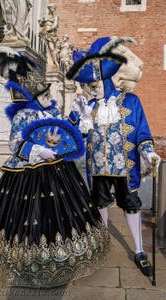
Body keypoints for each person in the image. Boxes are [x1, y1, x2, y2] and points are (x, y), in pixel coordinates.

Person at [0, 47, 109, 288]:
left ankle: (60, 259)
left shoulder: (50, 112)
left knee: (59, 217)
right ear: (32, 96)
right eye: (44, 93)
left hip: (58, 172)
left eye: (48, 91)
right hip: (28, 175)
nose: (48, 95)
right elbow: (16, 143)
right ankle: (29, 262)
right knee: (31, 218)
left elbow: (63, 135)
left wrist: (81, 118)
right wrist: (36, 151)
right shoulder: (24, 116)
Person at [66, 36, 161, 277]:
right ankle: (102, 242)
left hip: (124, 168)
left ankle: (139, 250)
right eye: (90, 85)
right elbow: (75, 134)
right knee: (99, 204)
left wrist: (148, 152)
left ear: (106, 81)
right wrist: (76, 117)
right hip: (96, 167)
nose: (90, 88)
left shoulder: (131, 102)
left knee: (130, 205)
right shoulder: (88, 106)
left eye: (94, 84)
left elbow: (142, 132)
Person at [38, 3, 59, 68]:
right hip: (44, 33)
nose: (53, 10)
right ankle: (47, 61)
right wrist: (40, 22)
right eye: (52, 8)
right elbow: (41, 24)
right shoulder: (45, 16)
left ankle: (55, 62)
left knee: (52, 48)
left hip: (51, 33)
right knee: (44, 47)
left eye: (54, 8)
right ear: (49, 9)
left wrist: (49, 28)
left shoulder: (56, 17)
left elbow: (55, 25)